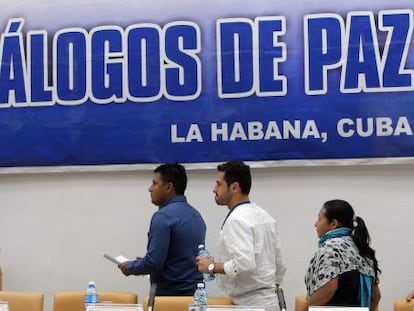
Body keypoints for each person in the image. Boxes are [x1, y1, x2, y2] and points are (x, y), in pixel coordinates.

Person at [196, 161, 286, 311]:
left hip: (246, 305)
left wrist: (211, 267)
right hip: (270, 302)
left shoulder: (236, 219)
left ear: (234, 187)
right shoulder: (265, 216)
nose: (214, 189)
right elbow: (281, 265)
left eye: (219, 184)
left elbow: (245, 264)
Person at [118, 163, 206, 296]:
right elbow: (180, 258)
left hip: (168, 297)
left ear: (169, 187)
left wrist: (129, 267)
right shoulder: (196, 215)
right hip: (196, 297)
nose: (150, 188)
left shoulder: (163, 216)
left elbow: (153, 262)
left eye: (155, 183)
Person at [300, 199, 381, 311]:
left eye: (319, 218)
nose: (315, 224)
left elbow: (328, 288)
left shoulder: (331, 248)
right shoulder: (361, 248)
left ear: (333, 224)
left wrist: (303, 309)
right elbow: (376, 296)